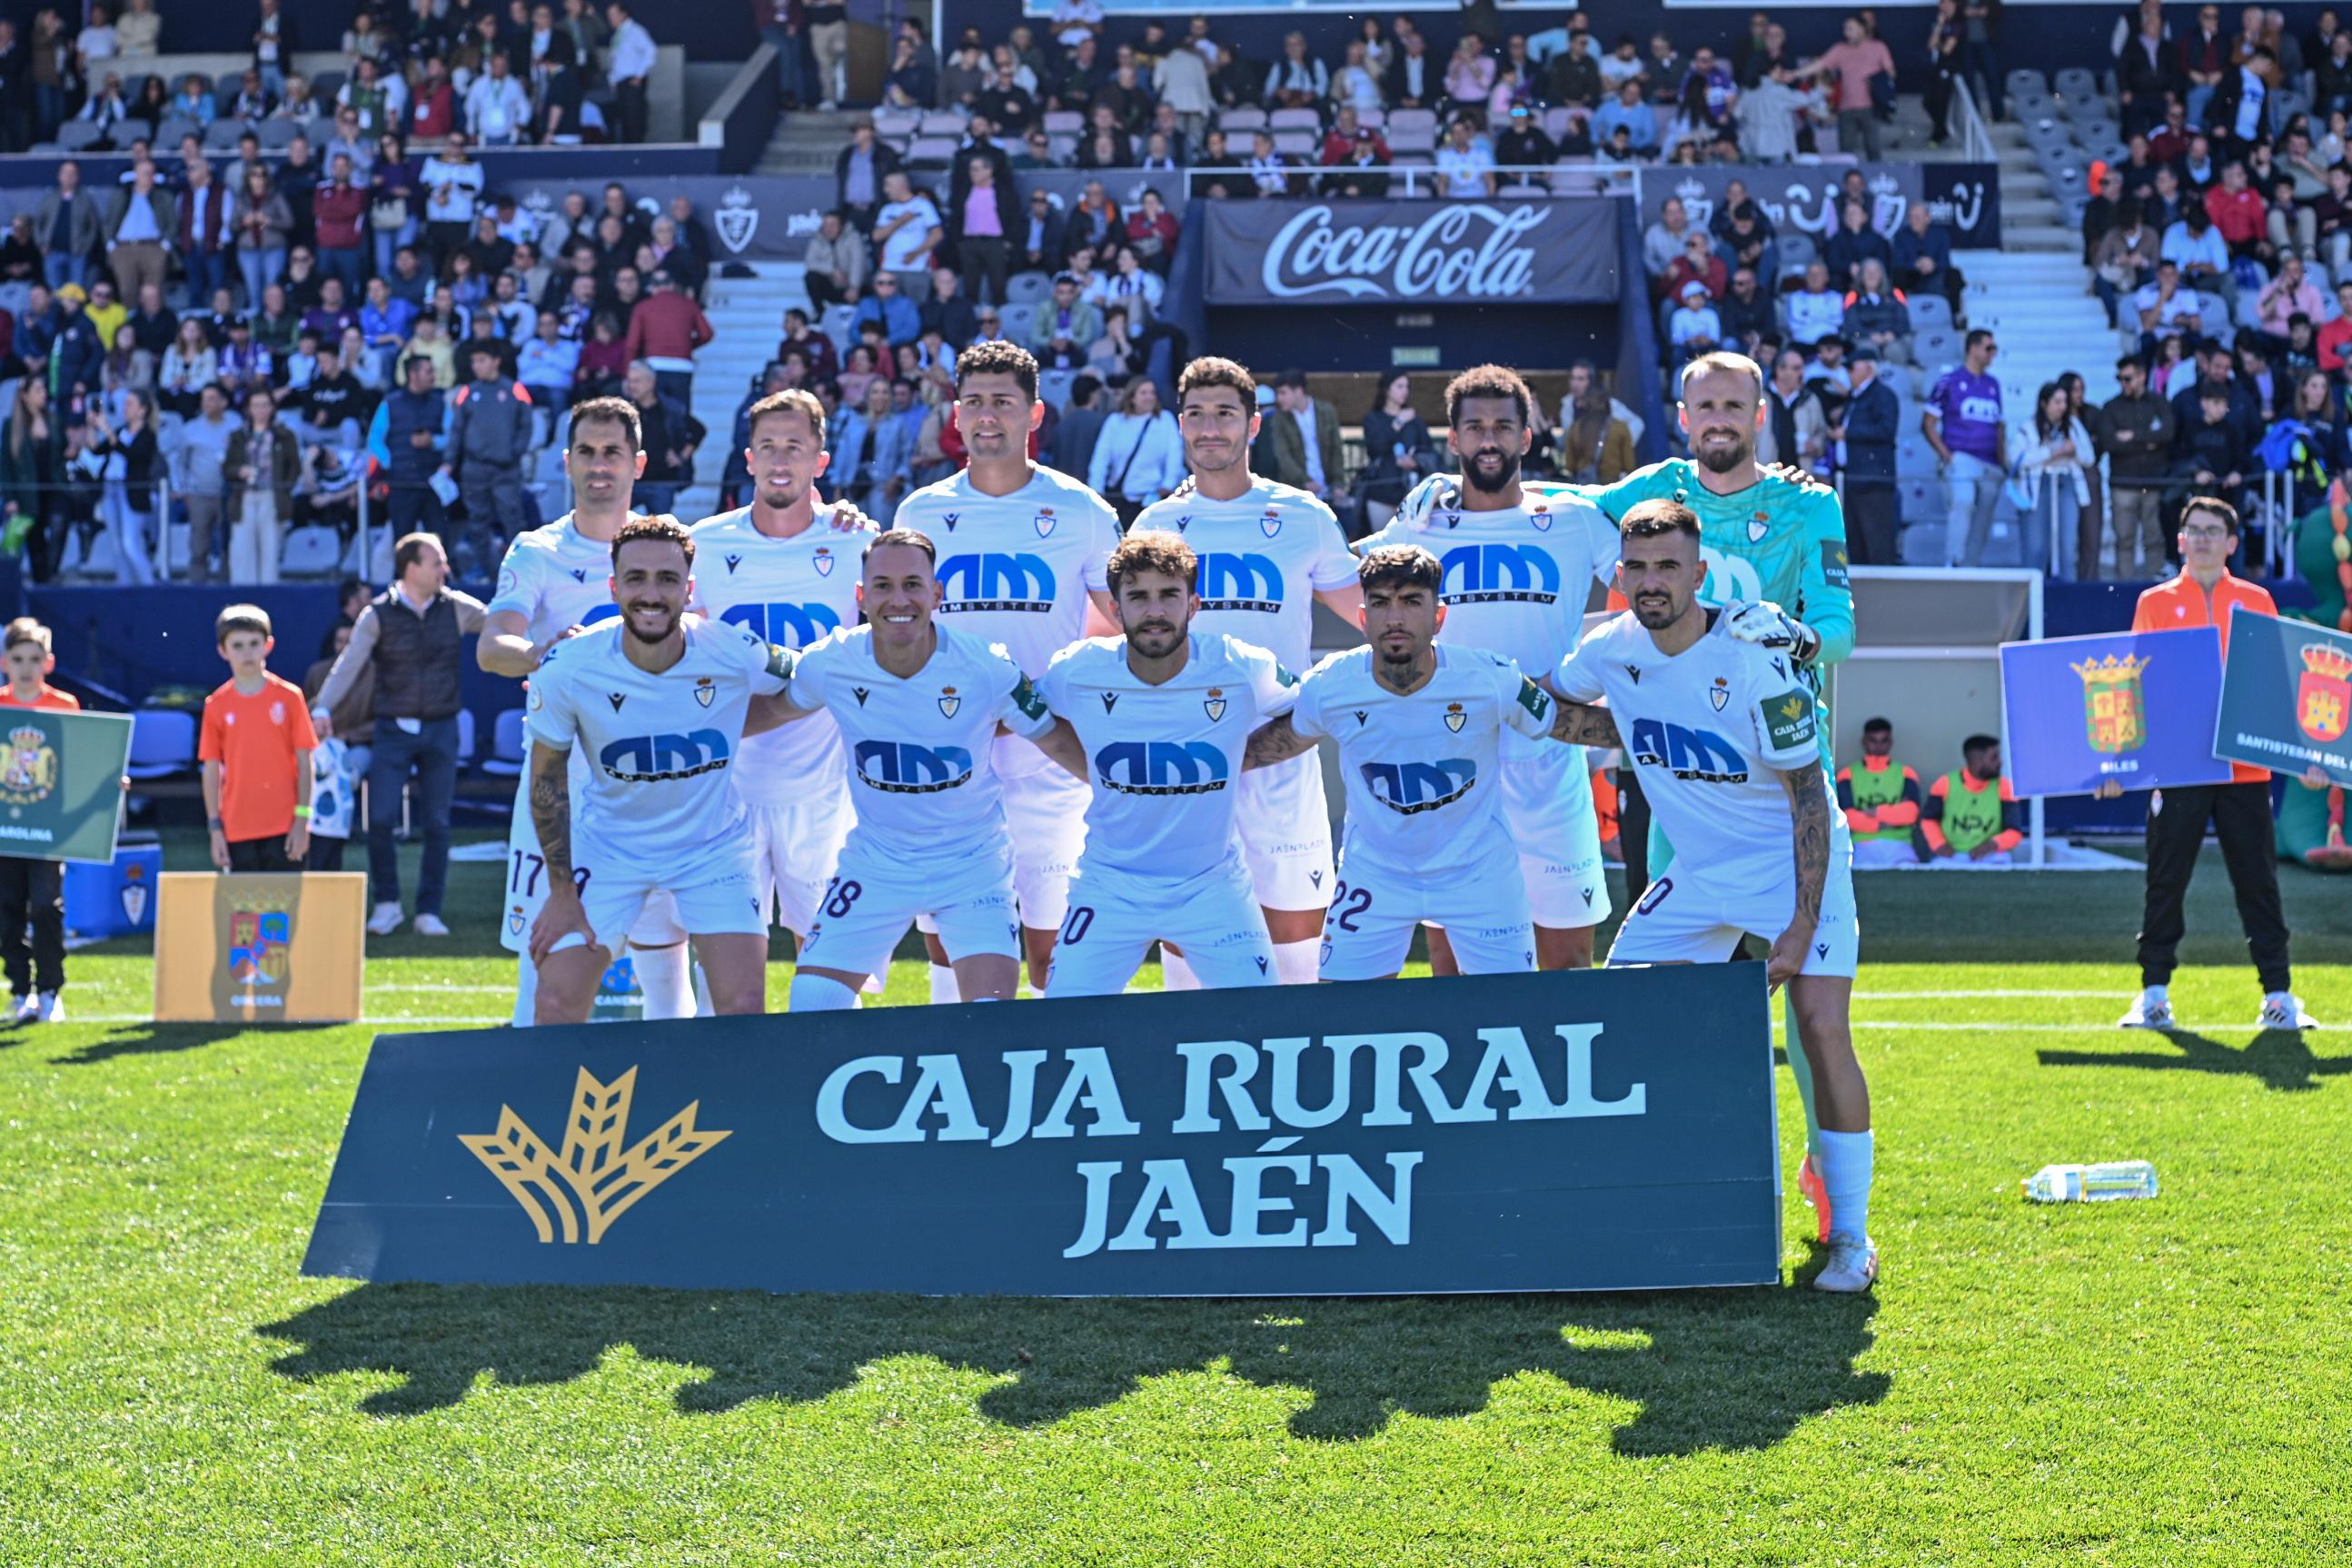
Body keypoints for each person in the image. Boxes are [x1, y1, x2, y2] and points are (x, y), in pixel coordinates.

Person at [1553, 496, 1875, 1293]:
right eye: (1638, 566)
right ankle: (1648, 1204)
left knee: (1820, 1025)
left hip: (1796, 865)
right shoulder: (1607, 648)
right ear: (1618, 574)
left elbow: (1809, 793)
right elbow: (1570, 714)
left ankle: (1852, 1238)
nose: (1652, 580)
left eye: (1668, 566)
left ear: (1699, 573)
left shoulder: (1754, 652)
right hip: (1697, 875)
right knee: (1620, 1018)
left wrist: (1798, 927)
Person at [1357, 364, 1622, 971]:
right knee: (1455, 973)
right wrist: (1394, 519)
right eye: (1473, 427)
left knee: (1566, 966)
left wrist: (1602, 666)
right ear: (1451, 440)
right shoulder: (1422, 524)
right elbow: (1340, 582)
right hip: (1447, 773)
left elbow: (1649, 585)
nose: (1488, 439)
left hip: (1546, 767)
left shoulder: (1574, 520)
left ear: (1527, 437)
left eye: (1503, 426)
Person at [1243, 541, 1602, 980]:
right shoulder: (1330, 684)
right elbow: (1276, 742)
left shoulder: (1489, 676)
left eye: (1411, 602)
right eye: (1380, 604)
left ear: (1439, 616)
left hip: (1480, 877)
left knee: (1511, 1014)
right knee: (1342, 1020)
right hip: (1375, 877)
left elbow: (1566, 723)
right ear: (1362, 617)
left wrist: (1650, 732)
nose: (1395, 618)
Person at [892, 340, 1119, 999]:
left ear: (1034, 414)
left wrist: (1060, 693)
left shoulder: (1082, 511)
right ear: (955, 416)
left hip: (1045, 757)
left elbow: (1120, 623)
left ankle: (1052, 1081)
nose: (986, 416)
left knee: (1050, 947)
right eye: (974, 403)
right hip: (947, 759)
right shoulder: (921, 512)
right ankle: (951, 1076)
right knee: (949, 944)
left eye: (1002, 402)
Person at [765, 528, 1074, 1008]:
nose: (898, 599)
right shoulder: (831, 661)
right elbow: (774, 710)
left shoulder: (986, 667)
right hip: (876, 862)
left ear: (937, 593)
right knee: (811, 1003)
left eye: (913, 584)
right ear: (862, 598)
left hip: (972, 864)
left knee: (991, 1015)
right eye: (883, 586)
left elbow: (1054, 736)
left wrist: (1125, 789)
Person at [1123, 359, 1359, 987]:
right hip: (1184, 757)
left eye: (1224, 414)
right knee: (1188, 935)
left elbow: (1374, 613)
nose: (1209, 429)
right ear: (1179, 426)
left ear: (1252, 425)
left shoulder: (1303, 515)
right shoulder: (1154, 526)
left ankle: (1300, 1069)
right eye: (1195, 415)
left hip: (1279, 748)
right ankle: (1190, 1070)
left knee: (1296, 937)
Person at [525, 516, 789, 1023]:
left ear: (689, 590)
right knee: (556, 1001)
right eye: (636, 578)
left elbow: (805, 679)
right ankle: (553, 1105)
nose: (651, 594)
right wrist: (561, 894)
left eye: (667, 580)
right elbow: (547, 785)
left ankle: (730, 1105)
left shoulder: (733, 649)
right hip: (610, 848)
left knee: (743, 1008)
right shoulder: (569, 667)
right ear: (614, 586)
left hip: (713, 848)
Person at [479, 399, 690, 1025]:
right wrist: (546, 654)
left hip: (655, 782)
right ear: (567, 463)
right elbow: (494, 648)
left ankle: (682, 1100)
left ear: (638, 463)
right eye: (588, 453)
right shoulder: (537, 550)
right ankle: (530, 1099)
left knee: (667, 961)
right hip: (560, 784)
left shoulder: (670, 544)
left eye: (613, 453)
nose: (601, 466)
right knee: (542, 953)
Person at [1026, 531, 1288, 996]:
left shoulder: (1241, 666)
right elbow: (1026, 716)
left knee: (1262, 1021)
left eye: (1169, 595)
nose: (1154, 611)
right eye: (1138, 597)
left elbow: (1310, 712)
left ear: (1193, 605)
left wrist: (1244, 755)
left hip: (1212, 886)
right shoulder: (1078, 670)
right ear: (1114, 609)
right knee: (1060, 1024)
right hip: (1109, 886)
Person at [2104, 496, 2316, 1030]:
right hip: (2177, 767)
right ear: (2180, 541)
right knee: (2166, 880)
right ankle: (2153, 995)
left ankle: (2279, 997)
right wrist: (2115, 762)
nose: (2201, 539)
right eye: (2193, 530)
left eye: (2212, 531)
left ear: (2231, 543)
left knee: (2258, 883)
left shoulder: (2257, 599)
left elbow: (2276, 684)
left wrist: (2307, 755)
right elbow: (2132, 686)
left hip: (2246, 769)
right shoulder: (2154, 602)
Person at [685, 387, 870, 953]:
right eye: (767, 446)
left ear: (821, 459)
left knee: (831, 967)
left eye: (795, 446)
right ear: (749, 459)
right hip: (726, 788)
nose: (780, 459)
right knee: (722, 977)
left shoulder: (858, 540)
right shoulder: (705, 544)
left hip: (823, 790)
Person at [312, 532, 484, 937]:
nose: (446, 569)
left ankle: (429, 910)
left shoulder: (457, 607)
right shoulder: (377, 614)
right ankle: (387, 904)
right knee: (382, 818)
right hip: (392, 729)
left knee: (439, 822)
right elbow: (348, 664)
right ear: (411, 567)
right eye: (436, 561)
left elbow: (501, 626)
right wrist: (322, 706)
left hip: (442, 728)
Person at [0, 620, 79, 1022]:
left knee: (46, 907)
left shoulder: (65, 706)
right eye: (18, 659)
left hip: (49, 829)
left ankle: (51, 989)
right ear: (4, 661)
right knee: (7, 908)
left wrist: (108, 776)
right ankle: (20, 989)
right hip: (4, 831)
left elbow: (80, 763)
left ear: (48, 662)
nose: (26, 667)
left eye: (34, 659)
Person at [200, 603, 316, 874]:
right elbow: (211, 770)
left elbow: (305, 762)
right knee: (243, 914)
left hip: (285, 826)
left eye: (254, 643)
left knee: (284, 913)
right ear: (222, 651)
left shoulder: (290, 697)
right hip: (237, 828)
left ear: (268, 645)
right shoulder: (216, 705)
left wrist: (302, 821)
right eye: (237, 645)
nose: (247, 652)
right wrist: (215, 827)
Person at [447, 342, 533, 571]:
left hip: (506, 468)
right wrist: (449, 461)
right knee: (477, 521)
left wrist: (515, 453)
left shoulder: (515, 389)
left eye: (482, 360)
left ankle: (522, 569)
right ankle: (486, 570)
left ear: (496, 361)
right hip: (474, 467)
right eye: (474, 361)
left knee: (513, 519)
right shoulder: (467, 391)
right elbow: (457, 429)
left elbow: (526, 426)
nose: (477, 366)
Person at [1923, 329, 2005, 567]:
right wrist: (1947, 455)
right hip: (1962, 457)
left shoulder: (1993, 384)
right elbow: (1928, 423)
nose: (1993, 353)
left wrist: (2002, 462)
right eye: (1989, 348)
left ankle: (1971, 564)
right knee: (1964, 500)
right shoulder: (1949, 382)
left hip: (1990, 463)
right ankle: (1954, 560)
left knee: (1984, 516)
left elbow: (1999, 427)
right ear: (1973, 348)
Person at [2012, 380, 2093, 578]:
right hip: (2038, 488)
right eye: (2057, 402)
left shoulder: (2073, 425)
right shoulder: (2028, 427)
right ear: (2044, 403)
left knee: (2067, 544)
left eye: (2064, 402)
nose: (2062, 407)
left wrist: (2072, 452)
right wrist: (2052, 452)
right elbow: (2017, 458)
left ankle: (2068, 597)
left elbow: (2089, 457)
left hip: (2067, 484)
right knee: (2036, 546)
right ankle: (2031, 599)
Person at [1836, 343, 1902, 565]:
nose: (1848, 372)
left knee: (1878, 544)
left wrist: (1847, 433)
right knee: (1857, 544)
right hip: (1856, 478)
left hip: (1874, 480)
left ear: (1867, 369)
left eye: (1852, 367)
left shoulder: (1883, 396)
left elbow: (1886, 430)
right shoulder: (1856, 398)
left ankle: (1886, 597)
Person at [1086, 376, 1183, 522]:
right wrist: (1096, 490)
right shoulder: (1115, 422)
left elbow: (1175, 454)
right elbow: (1101, 457)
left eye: (1152, 393)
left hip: (1153, 497)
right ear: (1132, 397)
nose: (1149, 397)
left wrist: (1168, 484)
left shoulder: (1165, 419)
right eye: (1143, 393)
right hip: (1121, 497)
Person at [1921, 733, 2023, 866]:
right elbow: (1928, 820)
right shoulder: (1944, 783)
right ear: (1977, 761)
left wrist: (1992, 845)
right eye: (1994, 758)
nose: (2000, 762)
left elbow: (2014, 831)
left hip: (1991, 855)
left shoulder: (2005, 787)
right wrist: (1939, 844)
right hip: (1952, 855)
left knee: (2001, 865)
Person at [1837, 717, 1926, 867]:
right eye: (1873, 740)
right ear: (1863, 741)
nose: (1878, 746)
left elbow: (1911, 814)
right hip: (1862, 845)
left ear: (1891, 742)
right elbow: (1847, 818)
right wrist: (1890, 820)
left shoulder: (1906, 772)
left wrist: (1875, 812)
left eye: (1884, 741)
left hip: (1900, 845)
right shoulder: (1847, 774)